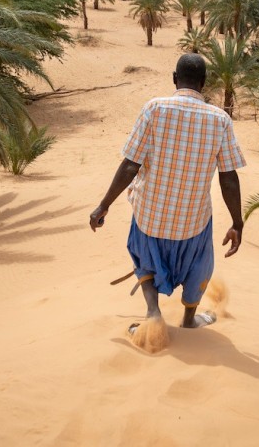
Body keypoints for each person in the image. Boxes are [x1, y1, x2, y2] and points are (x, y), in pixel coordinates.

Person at [89, 53, 245, 330]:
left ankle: (153, 314)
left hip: (150, 215)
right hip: (192, 220)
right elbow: (229, 177)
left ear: (174, 79)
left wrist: (104, 205)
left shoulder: (154, 108)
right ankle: (188, 320)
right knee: (199, 264)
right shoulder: (220, 119)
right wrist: (237, 222)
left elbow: (130, 164)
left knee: (143, 256)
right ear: (204, 82)